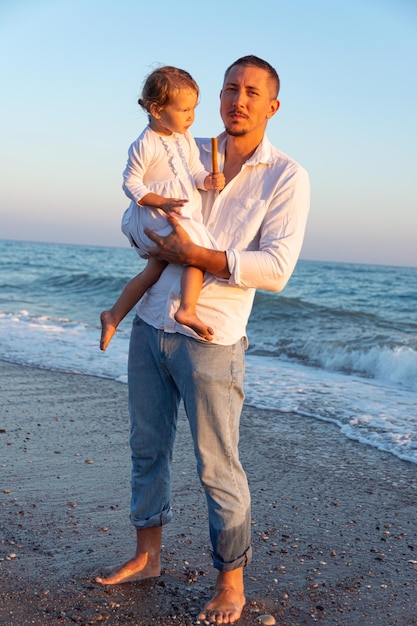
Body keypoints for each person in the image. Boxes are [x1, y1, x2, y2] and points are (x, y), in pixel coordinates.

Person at [96, 55, 310, 625]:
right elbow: (130, 217)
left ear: (272, 106)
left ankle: (230, 583)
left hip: (212, 337)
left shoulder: (286, 176)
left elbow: (277, 269)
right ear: (218, 97)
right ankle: (147, 557)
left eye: (252, 92)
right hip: (150, 324)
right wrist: (152, 236)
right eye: (230, 89)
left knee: (218, 465)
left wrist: (197, 255)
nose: (239, 100)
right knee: (147, 449)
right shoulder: (187, 149)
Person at [100, 66, 225, 351]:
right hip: (157, 216)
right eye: (184, 110)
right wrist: (160, 201)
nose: (191, 117)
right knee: (196, 252)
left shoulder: (184, 138)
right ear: (157, 109)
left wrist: (208, 180)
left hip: (174, 214)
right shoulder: (145, 144)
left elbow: (193, 171)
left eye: (194, 109)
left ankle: (114, 314)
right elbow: (130, 183)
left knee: (152, 272)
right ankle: (186, 310)